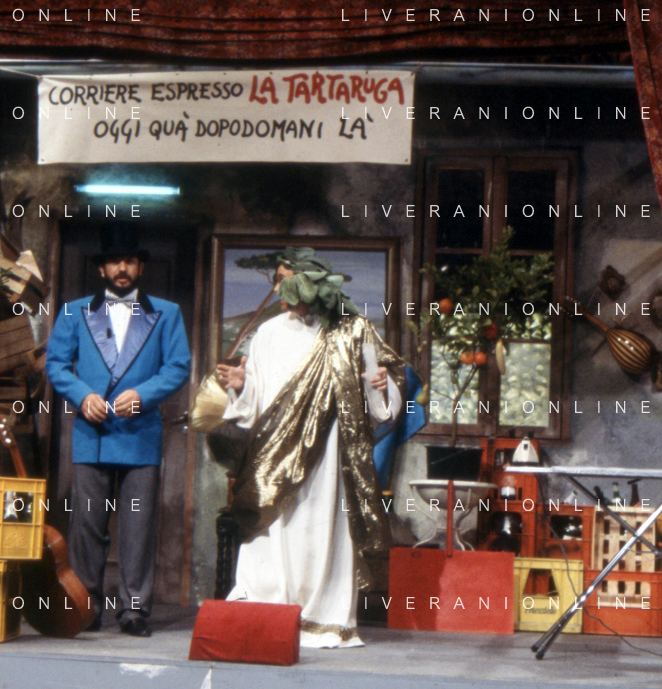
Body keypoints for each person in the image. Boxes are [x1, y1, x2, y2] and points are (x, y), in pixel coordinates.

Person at [214, 246, 409, 648]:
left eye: (287, 280)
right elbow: (259, 396)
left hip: (329, 451)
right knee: (274, 526)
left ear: (313, 284)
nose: (279, 288)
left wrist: (382, 385)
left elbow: (384, 389)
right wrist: (241, 386)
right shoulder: (269, 332)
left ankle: (322, 616)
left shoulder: (351, 330)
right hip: (275, 453)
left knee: (322, 529)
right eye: (277, 280)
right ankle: (268, 610)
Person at [46, 223, 191, 637]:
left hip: (139, 434)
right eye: (114, 261)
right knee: (87, 526)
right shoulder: (73, 311)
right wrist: (81, 395)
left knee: (138, 526)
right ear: (102, 268)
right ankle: (86, 606)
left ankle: (134, 610)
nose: (122, 268)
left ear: (140, 266)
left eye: (129, 261)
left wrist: (143, 395)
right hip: (92, 434)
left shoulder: (167, 313)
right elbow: (56, 364)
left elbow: (178, 366)